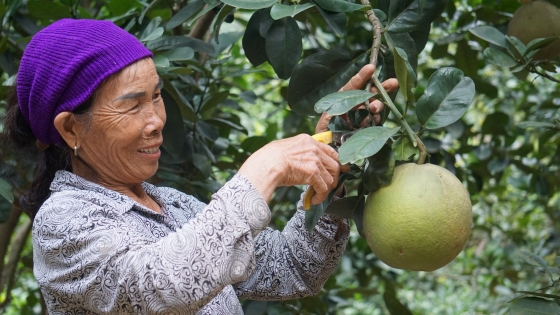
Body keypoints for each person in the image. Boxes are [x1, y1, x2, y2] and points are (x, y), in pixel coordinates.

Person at [2, 19, 397, 314]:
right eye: (132, 104)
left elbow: (295, 268)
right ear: (72, 128)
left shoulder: (174, 206)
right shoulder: (63, 221)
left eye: (156, 97)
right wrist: (262, 170)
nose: (156, 119)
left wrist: (337, 160)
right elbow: (167, 285)